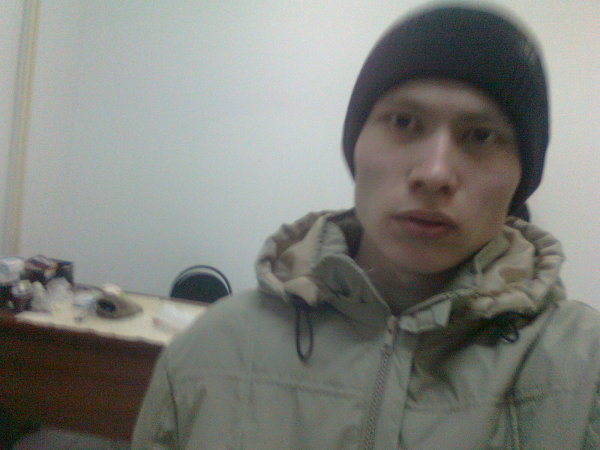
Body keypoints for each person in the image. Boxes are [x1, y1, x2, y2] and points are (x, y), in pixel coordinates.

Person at [132, 4, 600, 449]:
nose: (434, 173)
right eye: (404, 122)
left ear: (522, 177)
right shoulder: (210, 350)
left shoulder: (584, 373)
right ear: (355, 145)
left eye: (481, 135)